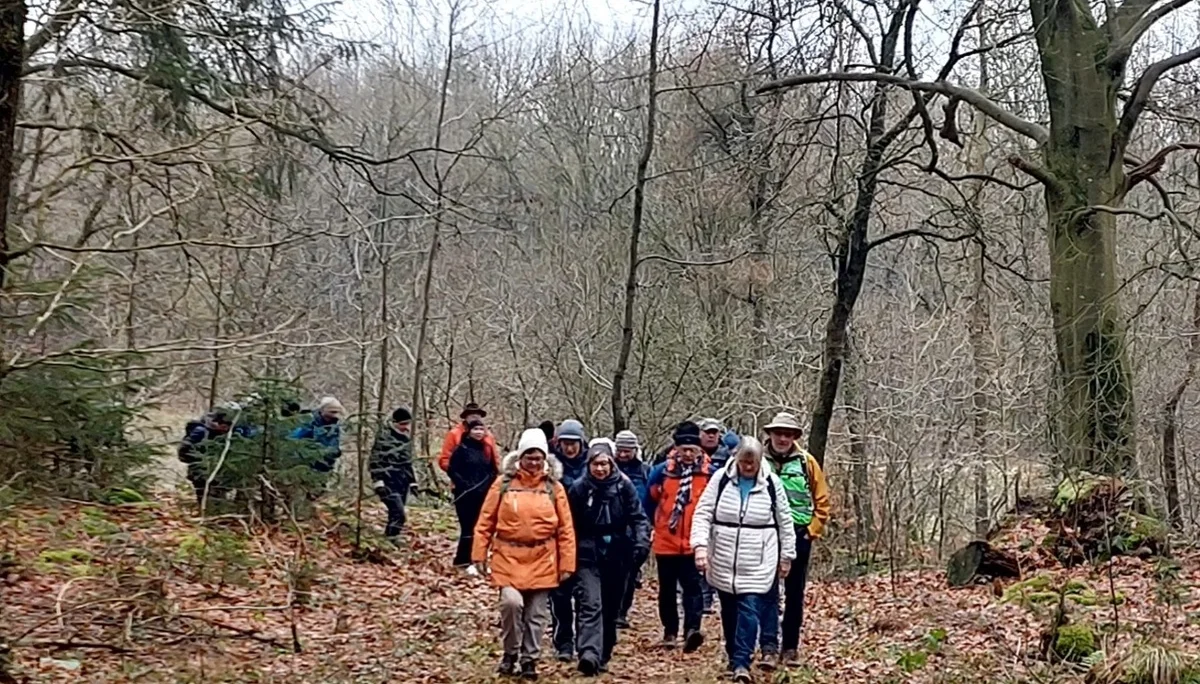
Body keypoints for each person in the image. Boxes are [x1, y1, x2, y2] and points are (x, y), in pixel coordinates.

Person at [472, 428, 576, 681]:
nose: (534, 462)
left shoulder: (554, 488)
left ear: (545, 459)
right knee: (511, 604)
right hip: (508, 556)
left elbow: (566, 529)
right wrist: (478, 554)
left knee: (536, 615)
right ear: (520, 456)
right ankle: (510, 653)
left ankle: (530, 659)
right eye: (529, 457)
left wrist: (567, 563)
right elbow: (485, 521)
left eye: (538, 458)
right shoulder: (503, 484)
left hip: (543, 557)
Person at [690, 437, 796, 680]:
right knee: (729, 611)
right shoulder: (721, 479)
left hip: (758, 560)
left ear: (759, 461)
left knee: (749, 609)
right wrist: (700, 547)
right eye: (744, 462)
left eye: (752, 463)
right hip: (724, 558)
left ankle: (742, 662)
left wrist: (787, 556)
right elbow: (703, 513)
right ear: (736, 459)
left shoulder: (772, 483)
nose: (748, 467)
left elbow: (785, 521)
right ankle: (733, 656)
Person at [567, 439, 650, 676]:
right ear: (588, 465)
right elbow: (568, 523)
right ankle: (588, 653)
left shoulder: (624, 486)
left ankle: (603, 653)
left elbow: (638, 517)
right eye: (595, 464)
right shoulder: (579, 489)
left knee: (611, 607)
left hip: (618, 552)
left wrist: (641, 543)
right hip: (587, 553)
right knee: (590, 603)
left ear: (612, 464)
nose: (600, 469)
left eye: (604, 464)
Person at [759, 412, 831, 667]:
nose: (782, 439)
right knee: (765, 591)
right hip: (764, 534)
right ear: (770, 434)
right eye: (778, 433)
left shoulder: (806, 462)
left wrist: (811, 530)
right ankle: (768, 646)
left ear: (794, 437)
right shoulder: (758, 460)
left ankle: (790, 647)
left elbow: (822, 500)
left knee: (794, 593)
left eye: (788, 434)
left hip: (799, 533)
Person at [647, 420, 713, 652]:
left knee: (693, 588)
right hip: (666, 541)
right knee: (667, 589)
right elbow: (649, 501)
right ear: (675, 448)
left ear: (699, 449)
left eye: (692, 449)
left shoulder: (710, 473)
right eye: (683, 449)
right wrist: (658, 523)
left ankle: (692, 630)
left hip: (694, 542)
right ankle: (670, 631)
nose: (687, 454)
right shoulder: (661, 472)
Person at [550, 418, 588, 661]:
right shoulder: (550, 468)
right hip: (557, 538)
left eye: (574, 442)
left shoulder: (592, 465)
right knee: (560, 596)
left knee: (586, 596)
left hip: (586, 537)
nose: (570, 447)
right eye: (565, 442)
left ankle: (585, 642)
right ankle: (563, 642)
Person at [447, 417, 499, 571]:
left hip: (482, 495)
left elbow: (491, 470)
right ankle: (462, 560)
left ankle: (475, 560)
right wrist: (464, 485)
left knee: (479, 528)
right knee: (468, 528)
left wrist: (489, 484)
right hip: (465, 496)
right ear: (469, 431)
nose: (479, 432)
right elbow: (452, 469)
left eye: (481, 429)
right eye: (476, 429)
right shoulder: (461, 449)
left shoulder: (485, 449)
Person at [613, 429, 649, 628]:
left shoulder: (645, 471)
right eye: (620, 450)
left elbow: (652, 499)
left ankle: (621, 612)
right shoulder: (608, 468)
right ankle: (611, 610)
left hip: (637, 528)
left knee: (630, 573)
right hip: (613, 528)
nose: (623, 454)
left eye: (627, 450)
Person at [177, 404, 240, 507]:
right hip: (202, 474)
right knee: (208, 501)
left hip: (223, 475)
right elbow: (184, 453)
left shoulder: (234, 433)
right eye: (225, 426)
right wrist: (203, 461)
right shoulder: (201, 432)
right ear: (217, 423)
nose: (227, 429)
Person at [369, 407, 416, 542]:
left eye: (407, 423)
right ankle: (391, 538)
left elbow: (408, 463)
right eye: (402, 424)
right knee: (399, 514)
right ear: (394, 423)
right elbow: (375, 461)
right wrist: (378, 482)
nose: (405, 427)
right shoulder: (384, 439)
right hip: (387, 482)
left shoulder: (405, 440)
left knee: (395, 514)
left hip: (403, 482)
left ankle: (390, 539)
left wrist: (413, 482)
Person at [437, 402, 500, 475]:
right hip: (462, 477)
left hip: (486, 476)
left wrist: (494, 474)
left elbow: (495, 458)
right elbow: (445, 459)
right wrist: (457, 475)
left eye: (478, 415)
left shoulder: (488, 435)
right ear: (466, 417)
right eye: (471, 415)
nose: (475, 417)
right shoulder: (454, 434)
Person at [290, 397, 344, 474]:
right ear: (322, 410)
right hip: (309, 466)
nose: (335, 415)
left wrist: (336, 451)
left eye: (337, 412)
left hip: (327, 466)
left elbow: (334, 443)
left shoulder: (335, 425)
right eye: (332, 412)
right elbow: (294, 439)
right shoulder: (308, 421)